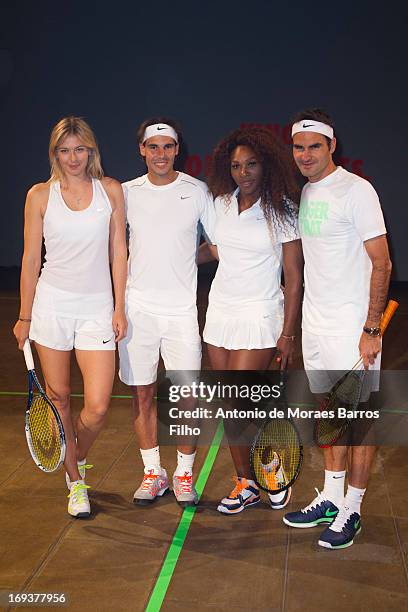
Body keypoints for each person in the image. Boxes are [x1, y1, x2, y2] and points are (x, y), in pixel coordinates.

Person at [283, 109, 392, 548]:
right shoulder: (307, 192)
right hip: (316, 323)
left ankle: (354, 507)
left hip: (353, 327)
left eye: (314, 146)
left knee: (359, 419)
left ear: (332, 146)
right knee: (328, 411)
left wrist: (370, 327)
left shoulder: (357, 190)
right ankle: (331, 494)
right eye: (298, 146)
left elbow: (382, 262)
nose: (305, 154)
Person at [13, 116, 127, 518]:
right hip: (51, 307)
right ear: (54, 154)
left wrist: (119, 307)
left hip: (97, 308)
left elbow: (118, 252)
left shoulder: (110, 190)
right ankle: (75, 480)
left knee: (97, 407)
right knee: (58, 397)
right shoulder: (39, 195)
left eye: (80, 149)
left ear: (91, 151)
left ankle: (70, 451)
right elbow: (30, 258)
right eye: (65, 150)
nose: (73, 157)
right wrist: (25, 316)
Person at [201, 126, 304, 514]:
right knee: (230, 406)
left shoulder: (283, 211)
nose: (243, 173)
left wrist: (288, 333)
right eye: (236, 166)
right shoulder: (221, 205)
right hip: (220, 314)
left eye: (251, 165)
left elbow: (293, 278)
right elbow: (213, 250)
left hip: (260, 314)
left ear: (267, 166)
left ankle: (272, 467)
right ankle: (245, 483)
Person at [119, 117, 215, 507]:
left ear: (178, 150)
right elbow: (111, 247)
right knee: (143, 395)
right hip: (136, 310)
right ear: (142, 150)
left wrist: (186, 259)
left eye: (167, 147)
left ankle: (184, 474)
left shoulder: (197, 191)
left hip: (180, 313)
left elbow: (219, 244)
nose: (161, 154)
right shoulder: (124, 193)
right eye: (152, 146)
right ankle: (153, 473)